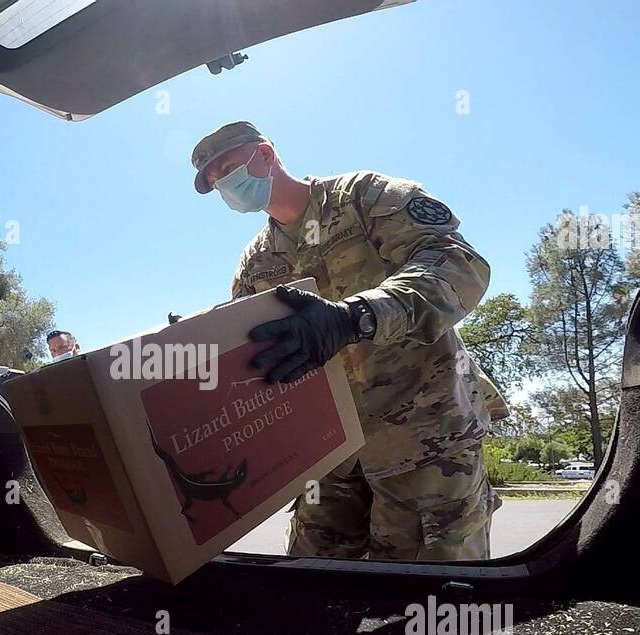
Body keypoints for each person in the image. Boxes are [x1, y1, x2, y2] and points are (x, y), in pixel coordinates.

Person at [191, 121, 509, 561]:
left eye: (227, 168)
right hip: (326, 454)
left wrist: (354, 317)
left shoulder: (365, 197)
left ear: (265, 154)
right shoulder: (256, 262)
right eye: (214, 182)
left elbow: (458, 265)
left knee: (430, 601)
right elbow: (252, 354)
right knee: (312, 590)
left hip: (423, 438)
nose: (225, 184)